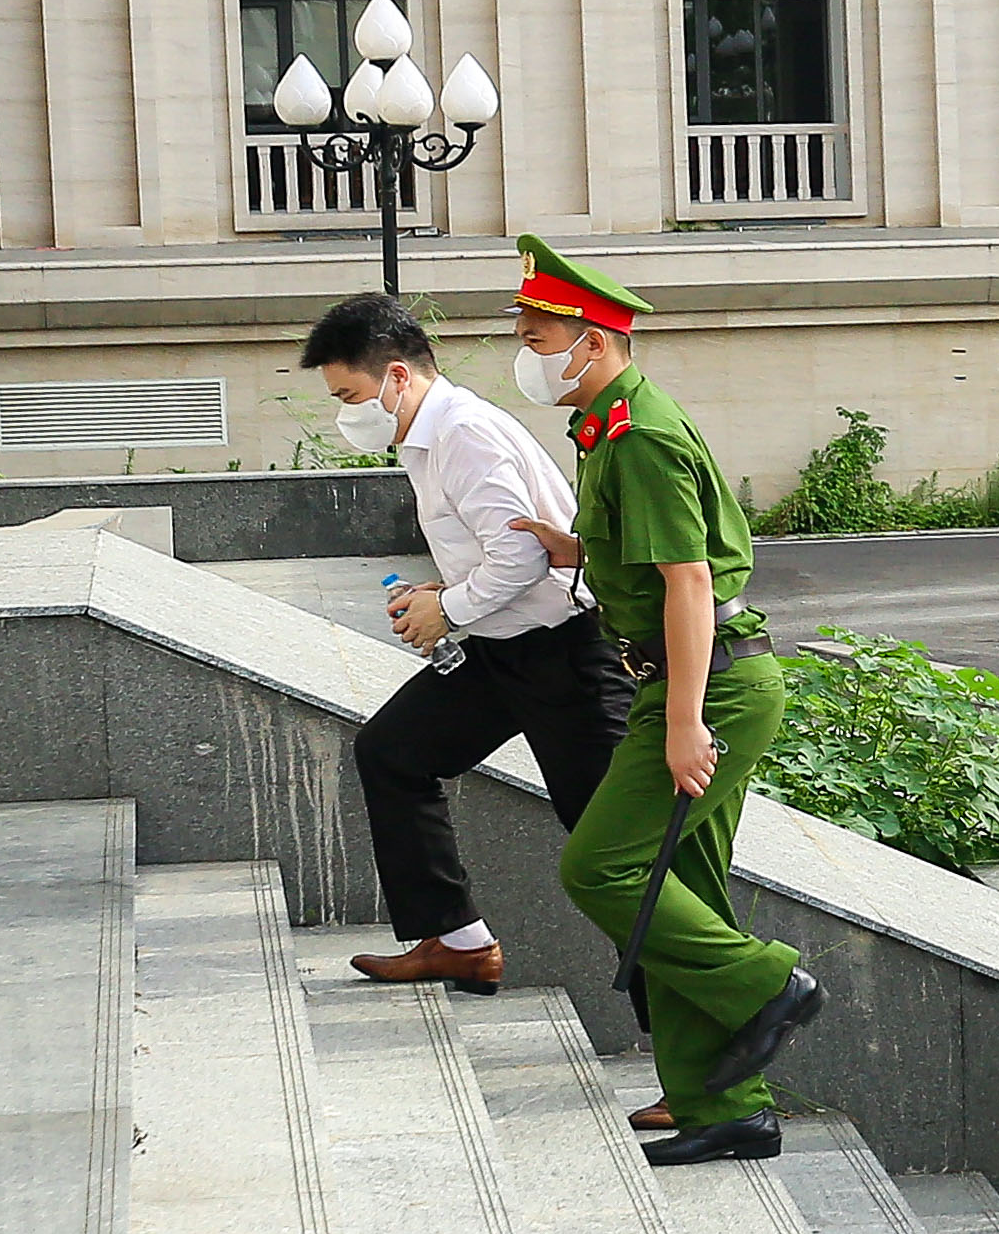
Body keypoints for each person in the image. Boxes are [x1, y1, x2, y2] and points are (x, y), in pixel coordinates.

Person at [507, 236, 821, 1167]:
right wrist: (578, 553)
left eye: (537, 334)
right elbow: (653, 564)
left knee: (598, 868)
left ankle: (768, 987)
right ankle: (726, 1106)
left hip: (707, 685)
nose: (524, 352)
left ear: (593, 341)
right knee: (677, 888)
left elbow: (688, 583)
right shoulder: (609, 425)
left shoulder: (636, 437)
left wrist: (684, 722)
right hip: (705, 675)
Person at [303, 293, 632, 997]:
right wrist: (440, 591)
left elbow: (522, 558)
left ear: (397, 377)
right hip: (498, 650)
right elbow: (491, 549)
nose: (346, 413)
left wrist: (445, 609)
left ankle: (689, 1040)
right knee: (392, 752)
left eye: (350, 394)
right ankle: (456, 939)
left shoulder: (463, 435)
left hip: (564, 654)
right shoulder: (428, 436)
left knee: (612, 849)